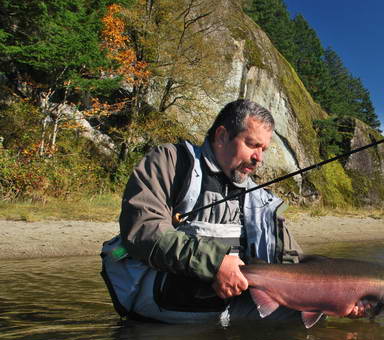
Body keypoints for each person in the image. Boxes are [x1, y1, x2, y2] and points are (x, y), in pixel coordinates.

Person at [101, 99, 302, 324]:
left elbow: (292, 257)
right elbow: (143, 230)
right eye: (252, 144)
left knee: (312, 313)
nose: (259, 158)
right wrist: (215, 263)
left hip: (231, 312)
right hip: (163, 311)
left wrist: (339, 292)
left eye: (263, 149)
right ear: (222, 135)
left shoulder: (259, 198)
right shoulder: (171, 162)